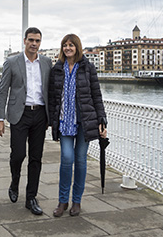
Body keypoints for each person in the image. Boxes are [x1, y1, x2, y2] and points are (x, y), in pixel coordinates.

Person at [48, 33, 108, 217]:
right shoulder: (57, 69)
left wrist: (102, 120)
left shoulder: (87, 68)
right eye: (65, 45)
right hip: (65, 122)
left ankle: (77, 201)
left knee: (81, 161)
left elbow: (96, 95)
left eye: (71, 45)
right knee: (67, 159)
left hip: (84, 121)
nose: (68, 48)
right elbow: (52, 98)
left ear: (77, 47)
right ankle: (62, 201)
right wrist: (52, 121)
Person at [0, 27, 52, 215]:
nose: (34, 44)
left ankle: (31, 197)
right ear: (24, 41)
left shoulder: (46, 62)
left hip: (40, 115)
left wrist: (52, 116)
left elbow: (50, 90)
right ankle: (14, 182)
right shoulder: (12, 62)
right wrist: (0, 118)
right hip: (19, 115)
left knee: (36, 158)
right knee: (18, 155)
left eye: (37, 41)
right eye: (31, 40)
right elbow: (3, 91)